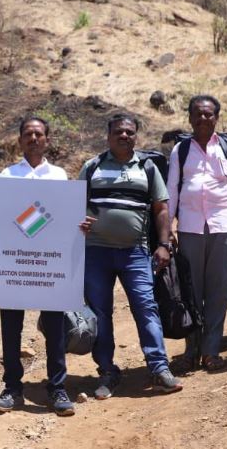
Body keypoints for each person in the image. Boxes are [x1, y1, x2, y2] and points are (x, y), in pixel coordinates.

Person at [0, 116, 92, 417]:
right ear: (19, 140)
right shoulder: (5, 175)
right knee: (10, 330)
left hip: (48, 269)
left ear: (47, 140)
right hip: (12, 267)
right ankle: (12, 389)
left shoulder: (59, 177)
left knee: (55, 329)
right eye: (27, 134)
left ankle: (57, 389)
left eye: (38, 134)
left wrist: (80, 226)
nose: (33, 138)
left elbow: (66, 220)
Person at [78, 113, 183, 399]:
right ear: (108, 135)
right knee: (100, 314)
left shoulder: (147, 167)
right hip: (96, 253)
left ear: (136, 135)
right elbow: (75, 206)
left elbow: (161, 208)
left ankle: (159, 369)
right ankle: (108, 372)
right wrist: (80, 220)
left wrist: (164, 244)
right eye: (118, 132)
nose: (124, 136)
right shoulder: (92, 167)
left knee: (146, 307)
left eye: (129, 132)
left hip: (136, 252)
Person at [168, 96, 227, 372]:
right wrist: (168, 227)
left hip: (224, 227)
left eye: (208, 114)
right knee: (191, 293)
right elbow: (171, 190)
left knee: (218, 292)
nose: (203, 119)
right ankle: (191, 351)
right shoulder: (180, 150)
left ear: (216, 117)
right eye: (198, 114)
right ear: (190, 118)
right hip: (190, 229)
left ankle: (211, 351)